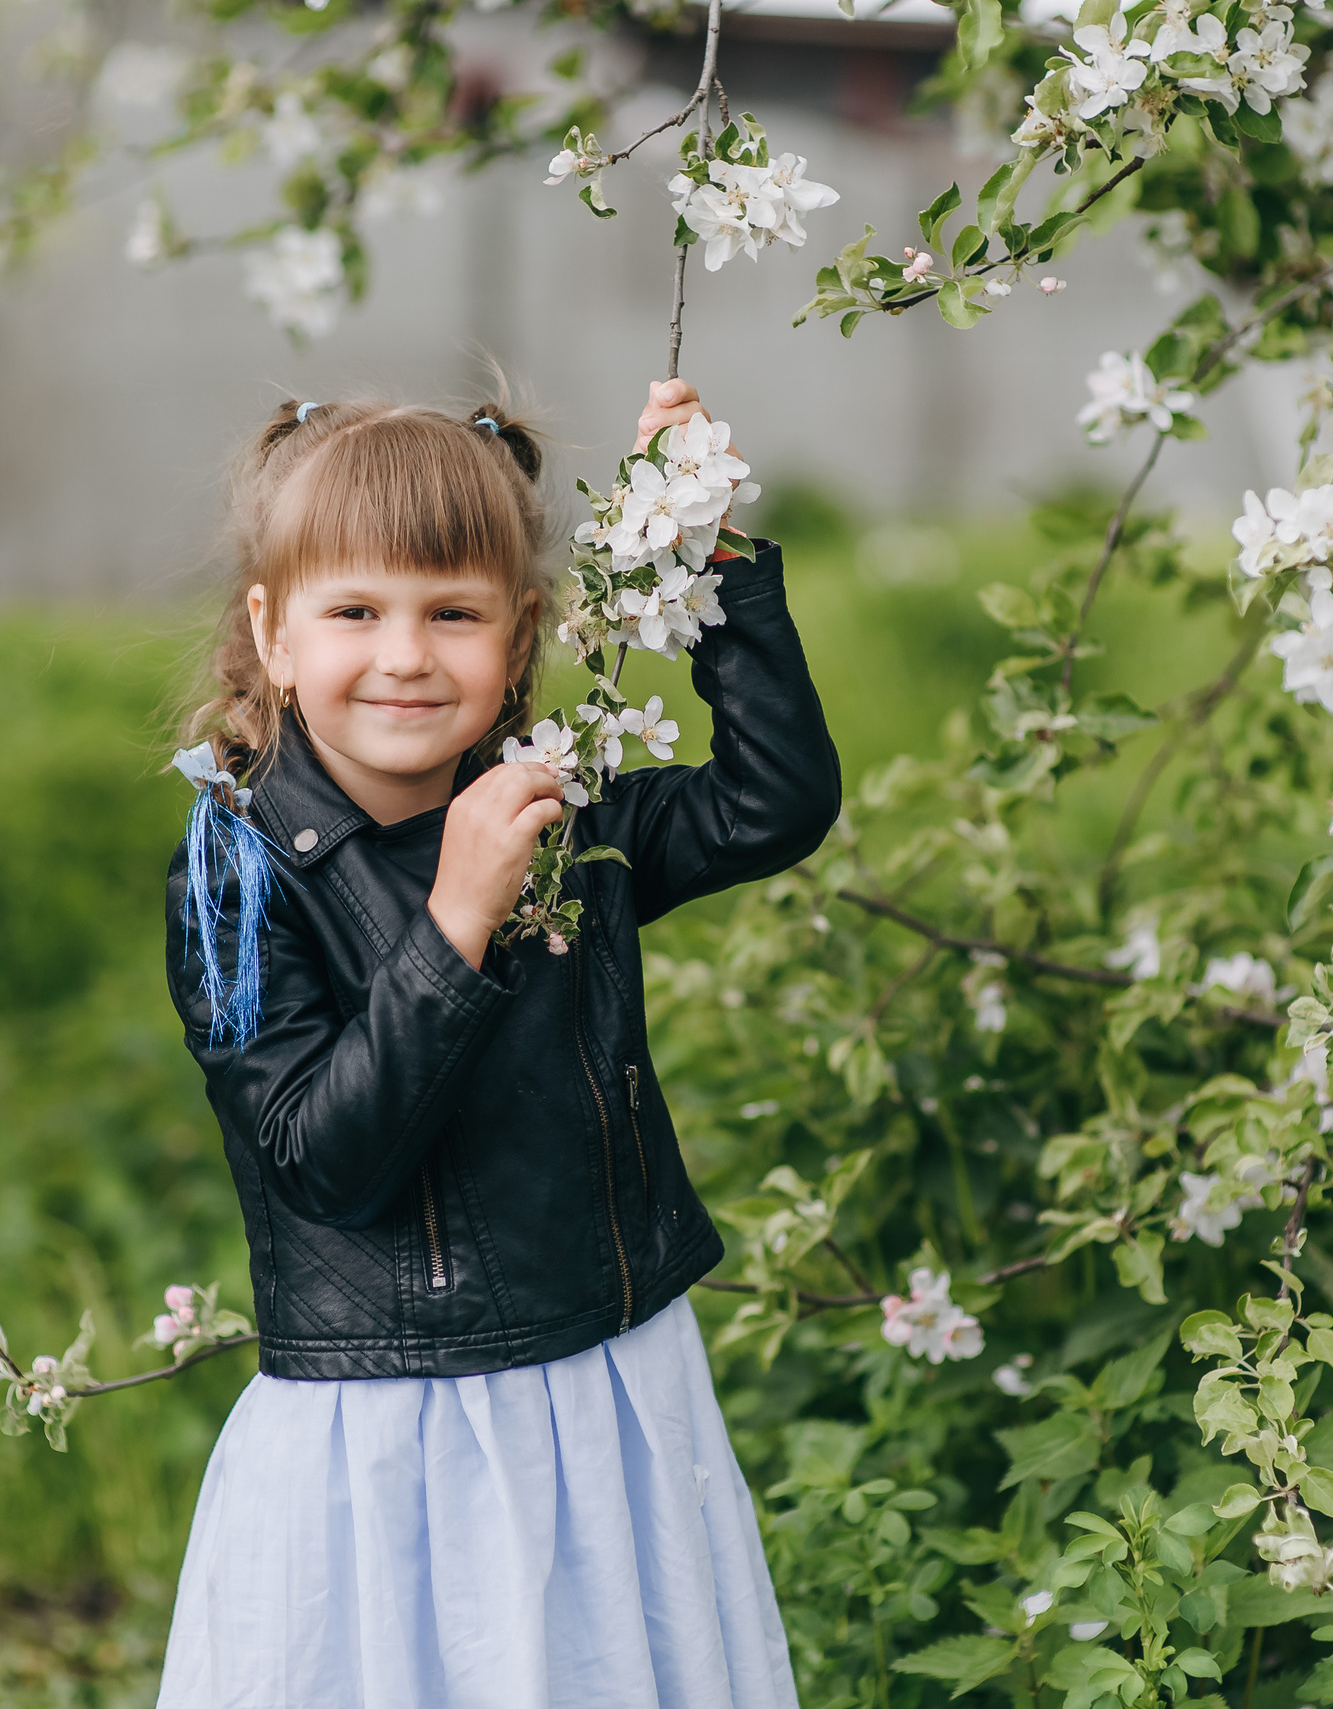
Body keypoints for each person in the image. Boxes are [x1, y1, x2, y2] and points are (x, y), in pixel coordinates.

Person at [157, 378, 839, 1709]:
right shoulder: (235, 871)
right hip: (389, 1428)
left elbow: (774, 803)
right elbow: (322, 1159)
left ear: (518, 637)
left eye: (451, 613)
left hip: (604, 1385)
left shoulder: (560, 813)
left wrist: (711, 550)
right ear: (272, 634)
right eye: (355, 610)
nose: (406, 654)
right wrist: (454, 923)